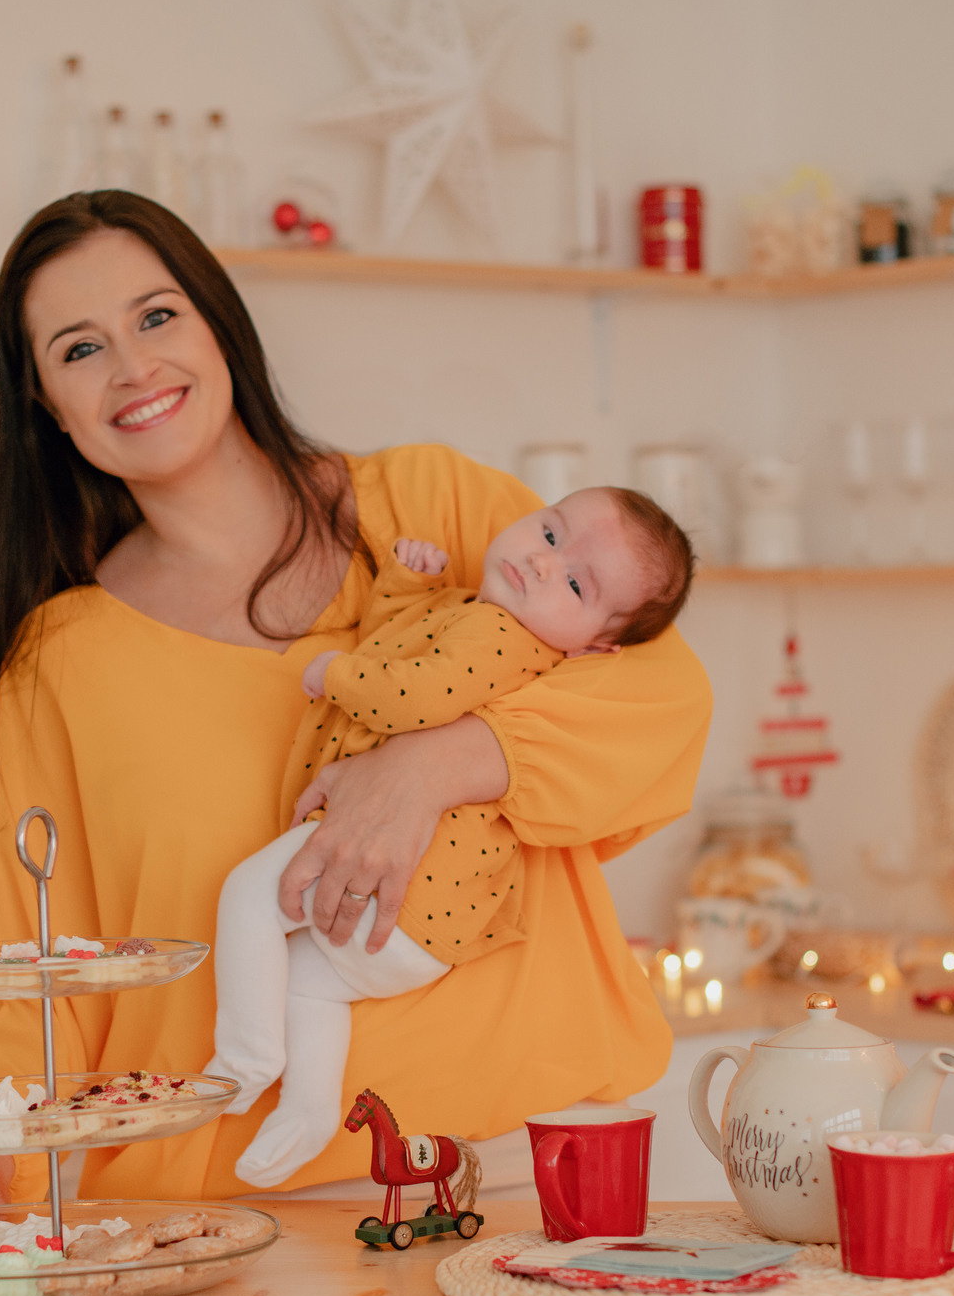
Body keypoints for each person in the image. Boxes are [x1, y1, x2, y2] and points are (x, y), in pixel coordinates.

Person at [0, 190, 711, 1206]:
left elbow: (664, 693)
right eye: (78, 349)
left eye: (157, 317)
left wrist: (433, 763)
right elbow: (24, 955)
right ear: (43, 403)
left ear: (218, 323)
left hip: (539, 1169)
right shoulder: (60, 660)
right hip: (249, 1211)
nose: (132, 367)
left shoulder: (432, 507)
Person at [208, 491, 696, 1185]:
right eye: (552, 531)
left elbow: (413, 695)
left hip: (401, 885)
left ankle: (248, 1056)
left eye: (578, 582)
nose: (541, 560)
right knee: (311, 988)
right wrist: (409, 586)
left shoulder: (502, 638)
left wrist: (334, 676)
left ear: (595, 645)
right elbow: (398, 642)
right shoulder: (473, 612)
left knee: (250, 896)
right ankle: (310, 1110)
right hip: (422, 928)